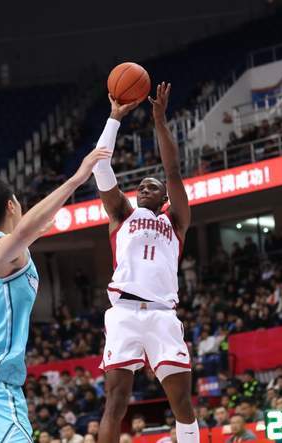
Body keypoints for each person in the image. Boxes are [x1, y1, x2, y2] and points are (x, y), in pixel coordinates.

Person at [0, 148, 109, 442]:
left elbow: (22, 238)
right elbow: (19, 235)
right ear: (11, 205)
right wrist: (76, 179)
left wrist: (35, 233)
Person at [94, 83, 198, 443]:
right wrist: (114, 118)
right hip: (123, 312)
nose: (143, 189)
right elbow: (101, 166)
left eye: (151, 187)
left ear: (165, 196)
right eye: (140, 186)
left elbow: (173, 170)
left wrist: (160, 121)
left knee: (181, 402)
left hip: (162, 314)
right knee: (115, 402)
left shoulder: (175, 220)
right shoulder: (122, 213)